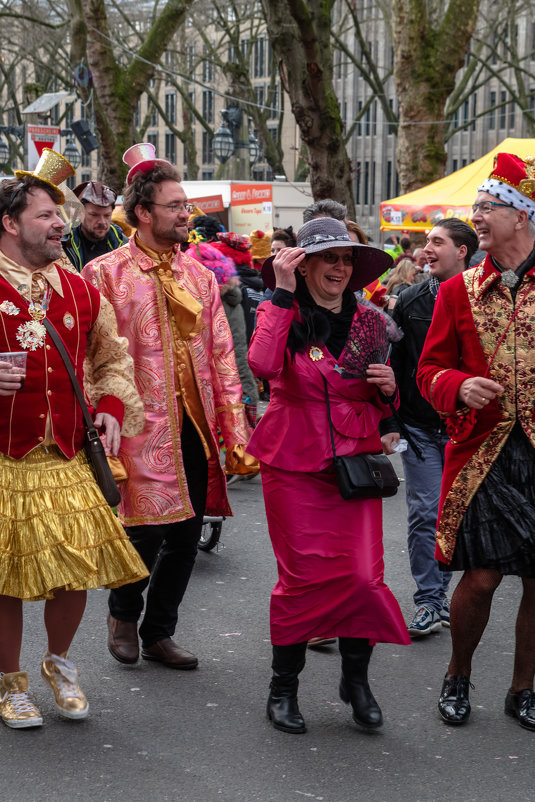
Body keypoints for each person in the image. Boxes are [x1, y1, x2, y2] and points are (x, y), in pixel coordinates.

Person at [82, 142, 251, 671]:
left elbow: (223, 355)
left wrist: (235, 426)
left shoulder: (200, 276)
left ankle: (160, 632)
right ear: (142, 212)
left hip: (193, 426)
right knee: (142, 530)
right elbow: (92, 358)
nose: (186, 214)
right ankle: (122, 615)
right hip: (135, 424)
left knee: (186, 533)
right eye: (175, 205)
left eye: (186, 205)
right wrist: (98, 422)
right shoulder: (105, 274)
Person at [0, 152, 147, 730]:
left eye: (61, 216)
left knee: (75, 570)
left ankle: (60, 665)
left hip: (66, 455)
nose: (61, 224)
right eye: (46, 216)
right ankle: (10, 682)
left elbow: (113, 360)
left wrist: (110, 407)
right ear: (10, 224)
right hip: (3, 458)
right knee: (4, 578)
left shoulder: (81, 291)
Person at [246, 217, 410, 735]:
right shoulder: (281, 312)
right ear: (306, 264)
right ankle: (283, 687)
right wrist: (281, 290)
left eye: (346, 259)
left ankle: (355, 682)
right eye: (329, 258)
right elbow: (264, 365)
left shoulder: (370, 321)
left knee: (363, 578)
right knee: (303, 579)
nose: (340, 267)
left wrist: (388, 390)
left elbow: (385, 399)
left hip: (355, 467)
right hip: (294, 462)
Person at [417, 152, 535, 730]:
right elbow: (428, 370)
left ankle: (523, 688)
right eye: (477, 209)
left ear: (522, 215)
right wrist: (459, 387)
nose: (478, 219)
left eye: (488, 208)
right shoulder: (458, 291)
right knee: (481, 576)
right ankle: (457, 674)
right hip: (482, 454)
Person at [381, 219, 478, 638]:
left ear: (463, 251)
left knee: (463, 516)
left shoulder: (486, 299)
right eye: (425, 242)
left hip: (471, 430)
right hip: (421, 429)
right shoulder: (410, 299)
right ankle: (430, 601)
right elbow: (395, 365)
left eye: (437, 242)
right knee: (424, 512)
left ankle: (456, 597)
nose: (426, 248)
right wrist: (391, 420)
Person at [62, 180, 127, 271]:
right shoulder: (62, 243)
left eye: (107, 215)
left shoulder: (123, 243)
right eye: (94, 215)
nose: (102, 222)